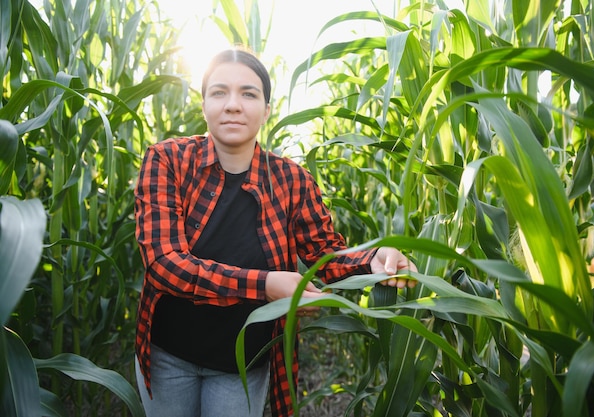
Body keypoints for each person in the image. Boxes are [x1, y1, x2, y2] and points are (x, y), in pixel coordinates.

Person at [134, 47, 417, 417]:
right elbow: (164, 265)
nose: (233, 105)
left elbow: (326, 255)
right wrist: (266, 285)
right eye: (219, 92)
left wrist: (373, 258)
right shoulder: (167, 160)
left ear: (267, 109)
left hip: (242, 364)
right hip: (168, 356)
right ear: (203, 104)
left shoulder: (291, 181)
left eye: (249, 94)